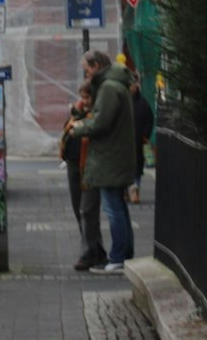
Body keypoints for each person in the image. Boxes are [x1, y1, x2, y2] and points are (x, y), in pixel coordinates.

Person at [68, 48, 138, 272]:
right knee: (119, 207)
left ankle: (117, 257)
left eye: (87, 70)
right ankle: (125, 254)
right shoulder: (118, 84)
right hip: (118, 154)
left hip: (109, 157)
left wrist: (79, 127)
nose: (86, 75)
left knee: (113, 208)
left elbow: (101, 122)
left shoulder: (108, 88)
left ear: (96, 65)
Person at [61, 85, 105, 270]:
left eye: (87, 98)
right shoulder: (76, 114)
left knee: (87, 211)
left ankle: (89, 253)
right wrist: (76, 112)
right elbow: (66, 133)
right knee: (79, 209)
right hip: (73, 164)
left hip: (89, 167)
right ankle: (96, 251)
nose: (84, 101)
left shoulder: (97, 116)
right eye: (82, 97)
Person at [126, 58, 155, 203]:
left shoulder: (142, 103)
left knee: (136, 168)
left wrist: (145, 135)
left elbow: (149, 120)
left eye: (133, 84)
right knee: (127, 167)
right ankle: (129, 190)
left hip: (136, 141)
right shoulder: (124, 101)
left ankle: (134, 190)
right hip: (125, 141)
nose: (132, 87)